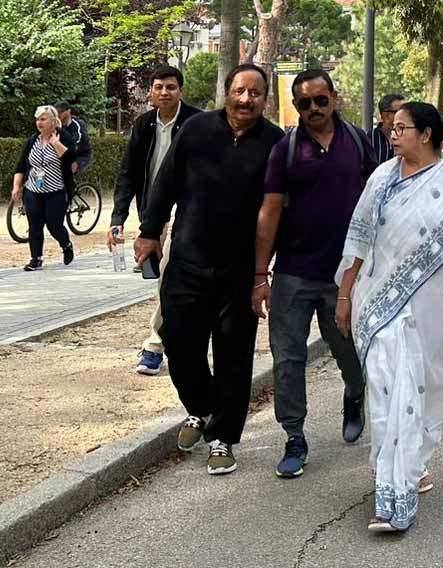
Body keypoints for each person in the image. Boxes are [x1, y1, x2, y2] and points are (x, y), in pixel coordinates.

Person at [335, 102, 443, 531]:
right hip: (378, 303)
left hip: (430, 307)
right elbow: (360, 239)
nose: (392, 133)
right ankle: (394, 489)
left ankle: (407, 468)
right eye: (392, 126)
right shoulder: (381, 178)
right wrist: (345, 294)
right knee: (387, 389)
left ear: (425, 134)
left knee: (422, 385)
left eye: (401, 127)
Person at [134, 64, 284, 476]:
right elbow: (165, 183)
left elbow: (279, 210)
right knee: (177, 341)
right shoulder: (197, 129)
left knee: (234, 354)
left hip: (239, 269)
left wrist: (266, 270)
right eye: (240, 90)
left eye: (255, 93)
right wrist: (149, 231)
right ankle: (200, 407)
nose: (246, 98)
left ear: (265, 99)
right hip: (187, 260)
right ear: (227, 91)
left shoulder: (275, 142)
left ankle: (223, 437)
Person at [252, 69, 376, 479]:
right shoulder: (285, 150)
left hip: (346, 276)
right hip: (293, 273)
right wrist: (260, 275)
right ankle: (294, 436)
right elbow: (269, 211)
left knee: (349, 352)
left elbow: (379, 202)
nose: (314, 109)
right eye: (304, 103)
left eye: (320, 100)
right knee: (288, 359)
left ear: (334, 98)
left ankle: (355, 394)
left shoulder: (358, 142)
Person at [108, 65, 201, 376]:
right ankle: (174, 337)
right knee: (161, 277)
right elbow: (129, 173)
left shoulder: (196, 122)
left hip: (185, 212)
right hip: (152, 213)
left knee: (166, 275)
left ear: (180, 91)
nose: (164, 92)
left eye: (171, 87)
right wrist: (118, 217)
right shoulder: (144, 124)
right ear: (151, 91)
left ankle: (155, 344)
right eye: (159, 86)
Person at [11, 105, 76, 271]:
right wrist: (16, 186)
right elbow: (21, 165)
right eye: (37, 119)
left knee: (54, 224)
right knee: (34, 224)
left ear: (53, 122)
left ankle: (66, 244)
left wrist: (55, 143)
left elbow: (70, 160)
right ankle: (36, 258)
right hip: (33, 189)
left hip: (56, 190)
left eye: (43, 119)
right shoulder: (33, 140)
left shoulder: (64, 137)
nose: (39, 123)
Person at [54, 101, 92, 175]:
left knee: (69, 169)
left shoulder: (77, 124)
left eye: (60, 112)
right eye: (56, 113)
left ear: (68, 111)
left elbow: (77, 141)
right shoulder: (56, 125)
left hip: (80, 155)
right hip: (62, 153)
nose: (58, 115)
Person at [370, 93, 404, 165]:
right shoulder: (369, 139)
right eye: (400, 112)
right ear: (386, 116)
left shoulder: (411, 138)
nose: (406, 115)